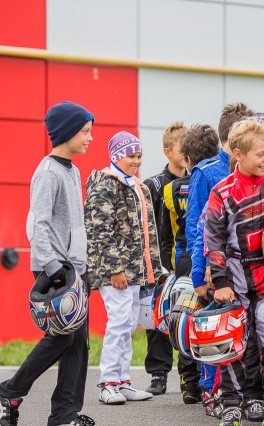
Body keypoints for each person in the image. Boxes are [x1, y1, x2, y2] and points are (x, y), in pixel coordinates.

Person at [0, 101, 95, 426]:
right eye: (84, 131)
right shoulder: (48, 173)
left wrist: (84, 267)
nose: (90, 138)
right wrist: (53, 267)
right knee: (62, 338)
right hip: (55, 269)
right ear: (67, 133)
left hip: (74, 269)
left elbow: (73, 224)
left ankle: (64, 415)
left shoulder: (73, 171)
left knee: (78, 344)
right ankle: (8, 392)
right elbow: (37, 225)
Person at [205, 119, 264, 426]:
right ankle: (232, 400)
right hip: (234, 277)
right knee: (233, 339)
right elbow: (214, 239)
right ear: (238, 154)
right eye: (260, 154)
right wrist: (220, 282)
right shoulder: (221, 191)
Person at [85, 131, 161, 405]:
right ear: (117, 156)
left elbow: (148, 232)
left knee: (128, 324)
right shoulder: (106, 185)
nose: (136, 161)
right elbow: (100, 231)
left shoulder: (138, 186)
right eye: (131, 156)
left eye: (139, 156)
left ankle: (122, 380)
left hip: (135, 271)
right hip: (115, 272)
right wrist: (114, 269)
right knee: (118, 322)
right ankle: (107, 382)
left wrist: (153, 270)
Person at [160, 125, 220, 404]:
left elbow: (169, 232)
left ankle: (190, 381)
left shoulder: (173, 187)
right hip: (205, 259)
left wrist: (171, 265)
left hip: (188, 260)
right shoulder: (223, 173)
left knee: (186, 316)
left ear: (186, 158)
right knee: (206, 317)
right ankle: (203, 381)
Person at [142, 121, 190, 396]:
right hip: (159, 262)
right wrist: (154, 262)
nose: (185, 153)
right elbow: (147, 225)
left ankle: (189, 375)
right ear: (167, 151)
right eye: (181, 148)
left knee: (186, 315)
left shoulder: (197, 181)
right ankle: (158, 374)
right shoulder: (154, 184)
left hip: (185, 261)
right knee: (158, 319)